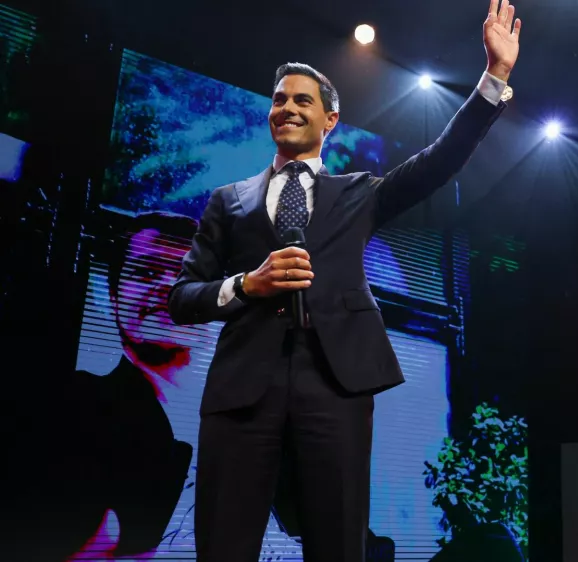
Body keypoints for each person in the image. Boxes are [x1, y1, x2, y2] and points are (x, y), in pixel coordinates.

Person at [166, 1, 523, 560]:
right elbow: (181, 298)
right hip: (241, 391)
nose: (286, 108)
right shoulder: (227, 201)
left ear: (330, 119)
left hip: (335, 386)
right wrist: (245, 286)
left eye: (302, 100)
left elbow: (440, 159)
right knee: (223, 544)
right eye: (279, 100)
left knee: (338, 543)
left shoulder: (360, 192)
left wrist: (493, 77)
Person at [16, 211, 198, 562]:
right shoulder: (65, 409)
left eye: (185, 274)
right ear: (112, 296)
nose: (165, 286)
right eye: (146, 272)